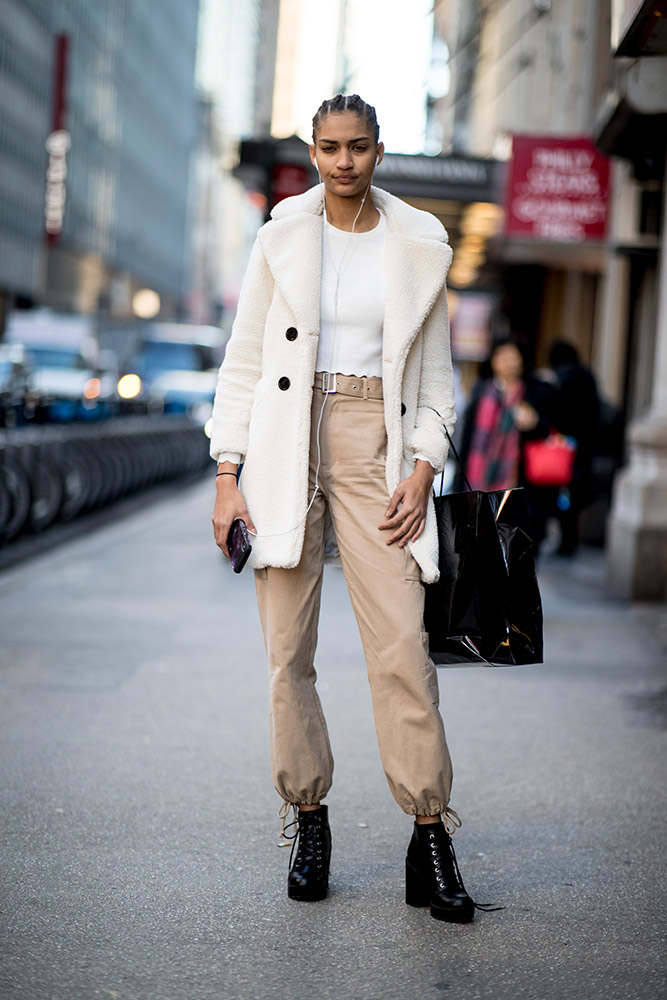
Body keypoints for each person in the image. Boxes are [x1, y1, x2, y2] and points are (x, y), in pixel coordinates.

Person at [210, 94, 480, 923]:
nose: (342, 163)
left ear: (378, 149)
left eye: (356, 147)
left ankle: (430, 833)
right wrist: (228, 474)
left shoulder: (417, 244)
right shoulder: (282, 235)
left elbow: (437, 383)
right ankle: (309, 818)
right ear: (313, 150)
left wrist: (423, 467)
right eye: (328, 148)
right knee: (287, 654)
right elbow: (246, 360)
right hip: (287, 444)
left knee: (402, 648)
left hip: (378, 446)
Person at [455, 337, 554, 549]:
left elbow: (551, 428)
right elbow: (468, 439)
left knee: (516, 547)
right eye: (502, 357)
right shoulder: (481, 391)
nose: (507, 362)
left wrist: (535, 421)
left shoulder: (536, 391)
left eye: (512, 357)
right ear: (493, 361)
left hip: (520, 480)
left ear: (522, 360)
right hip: (478, 478)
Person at [548, 340, 600, 556]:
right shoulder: (588, 377)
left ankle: (565, 542)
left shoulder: (561, 379)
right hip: (584, 447)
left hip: (563, 448)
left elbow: (557, 412)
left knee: (563, 493)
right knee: (573, 496)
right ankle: (569, 541)